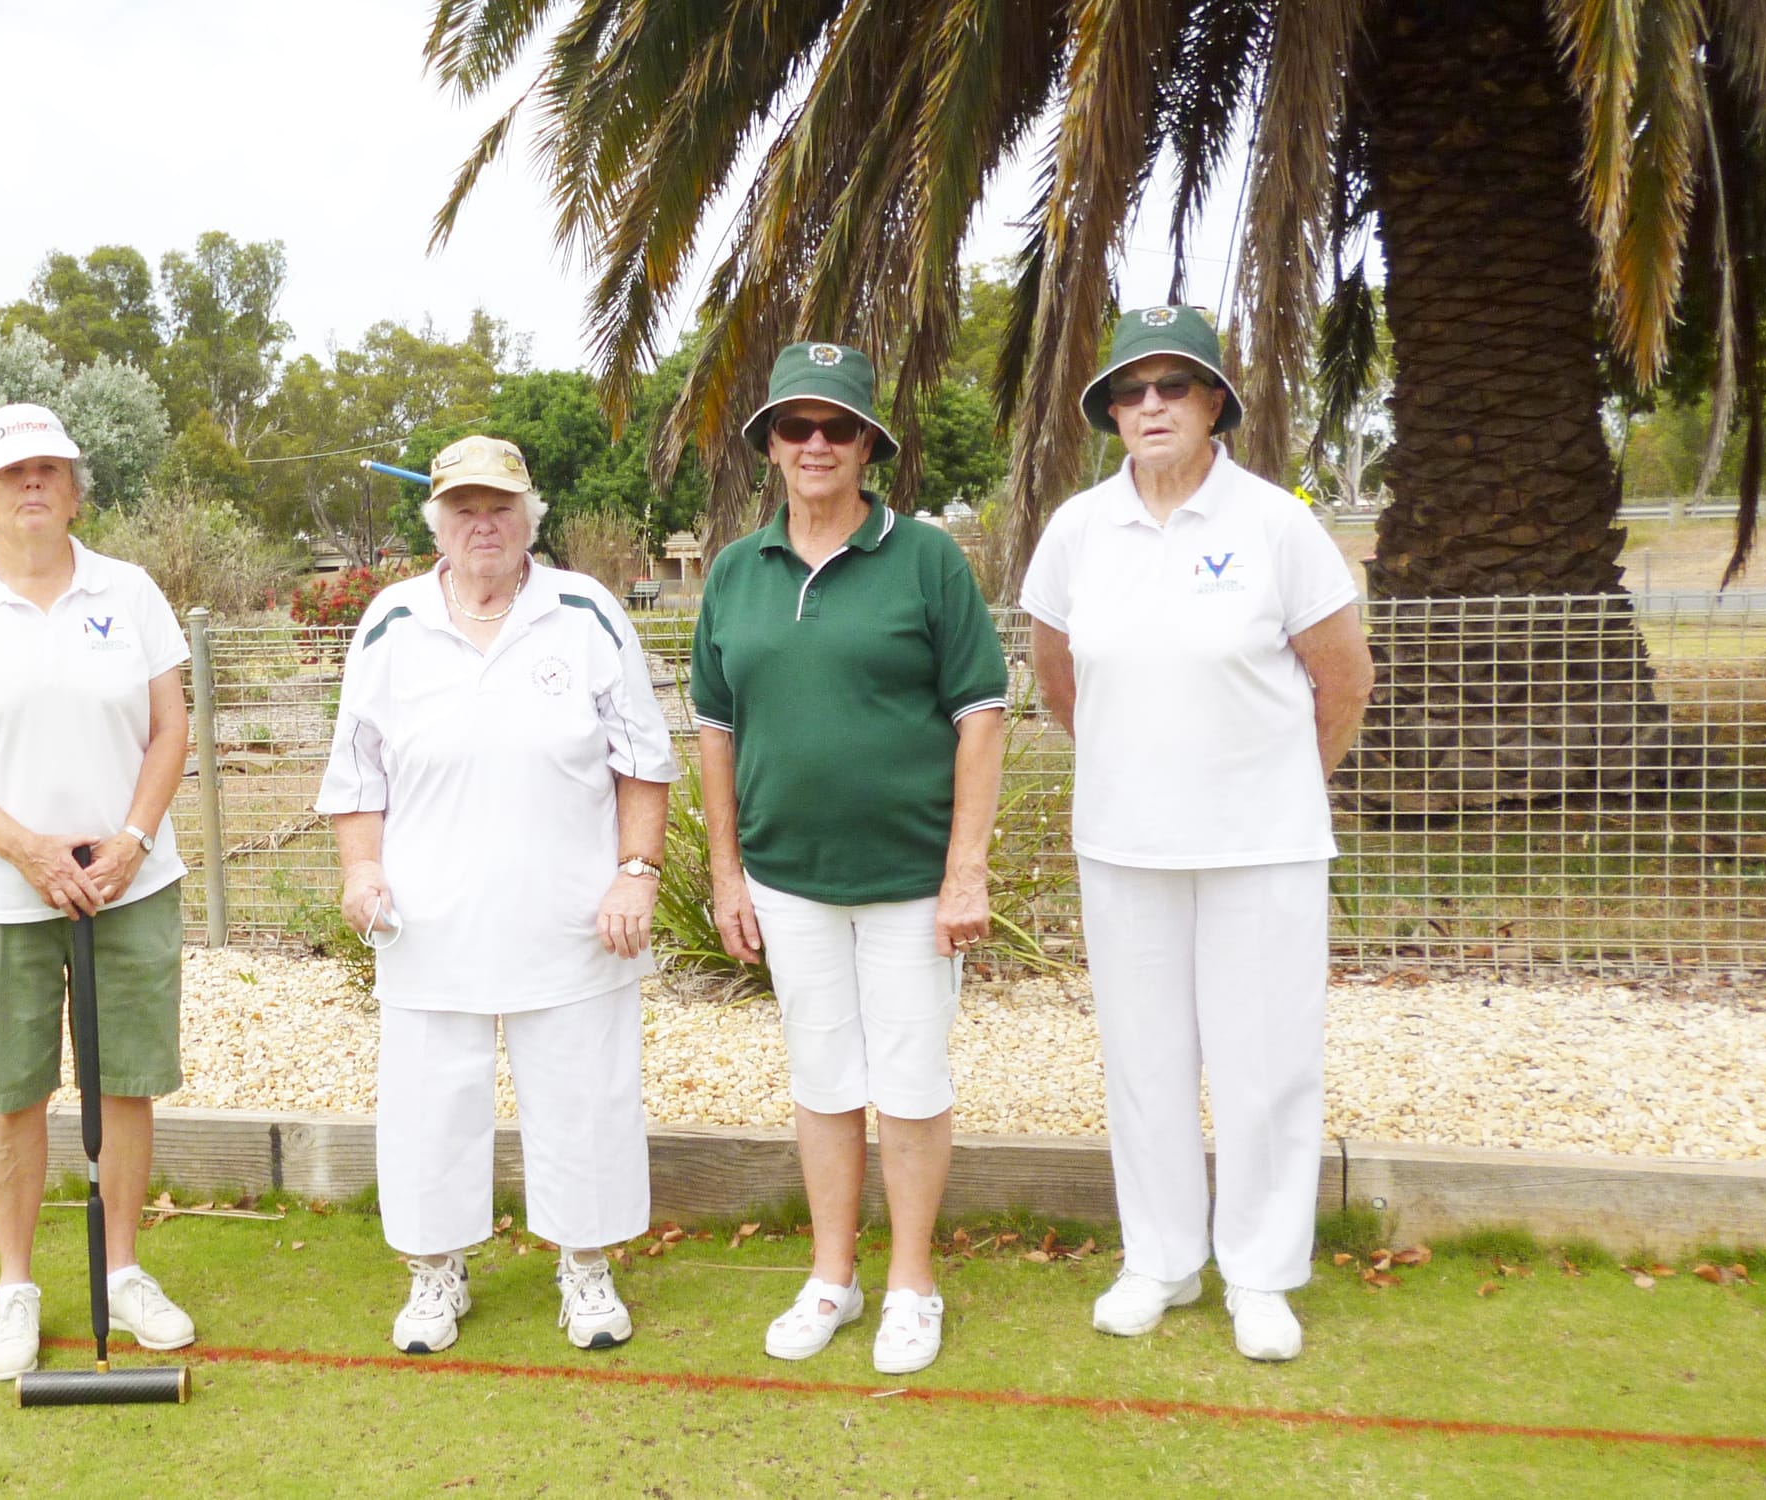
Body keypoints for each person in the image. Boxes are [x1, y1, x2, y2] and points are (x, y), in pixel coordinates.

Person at [1021, 307, 1375, 1361]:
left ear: (1215, 401)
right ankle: (1161, 1260)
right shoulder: (1078, 529)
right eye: (1131, 392)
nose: (1151, 407)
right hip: (1122, 845)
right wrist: (1142, 766)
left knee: (1264, 1065)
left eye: (1173, 387)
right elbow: (1055, 673)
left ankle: (1260, 1274)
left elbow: (1343, 678)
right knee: (1143, 1062)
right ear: (1110, 414)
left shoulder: (1273, 522)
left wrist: (1271, 785)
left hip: (1262, 846)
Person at [315, 434, 677, 1355]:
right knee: (431, 1107)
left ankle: (586, 1270)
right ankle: (437, 1277)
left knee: (585, 1098)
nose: (485, 524)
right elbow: (357, 773)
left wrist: (636, 872)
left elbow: (642, 757)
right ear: (437, 522)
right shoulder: (391, 623)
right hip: (429, 927)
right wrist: (362, 870)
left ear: (530, 518)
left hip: (573, 921)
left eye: (502, 507)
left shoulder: (587, 611)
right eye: (465, 508)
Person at [691, 342, 1008, 1376]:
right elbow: (713, 732)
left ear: (870, 442)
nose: (816, 443)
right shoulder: (735, 572)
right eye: (796, 426)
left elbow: (981, 716)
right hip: (787, 882)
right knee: (823, 1077)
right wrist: (725, 874)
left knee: (910, 1083)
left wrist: (965, 870)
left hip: (913, 883)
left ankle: (912, 1282)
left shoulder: (924, 558)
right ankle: (833, 1276)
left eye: (837, 427)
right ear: (768, 446)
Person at [0, 403, 196, 1380]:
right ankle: (15, 1287)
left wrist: (131, 843)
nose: (33, 485)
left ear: (73, 490)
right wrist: (29, 851)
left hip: (127, 885)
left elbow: (169, 730)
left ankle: (124, 1270)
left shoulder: (131, 589)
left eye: (50, 470)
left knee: (127, 1084)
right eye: (11, 473)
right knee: (14, 1093)